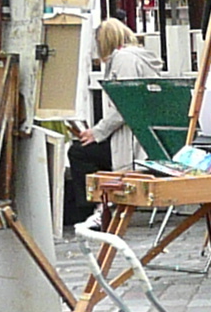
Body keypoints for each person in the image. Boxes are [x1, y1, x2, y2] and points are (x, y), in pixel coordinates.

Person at [68, 17, 158, 229]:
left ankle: (99, 206)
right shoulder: (136, 57)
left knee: (79, 152)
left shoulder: (123, 59)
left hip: (132, 142)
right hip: (139, 137)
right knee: (86, 152)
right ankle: (103, 204)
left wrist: (97, 132)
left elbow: (125, 104)